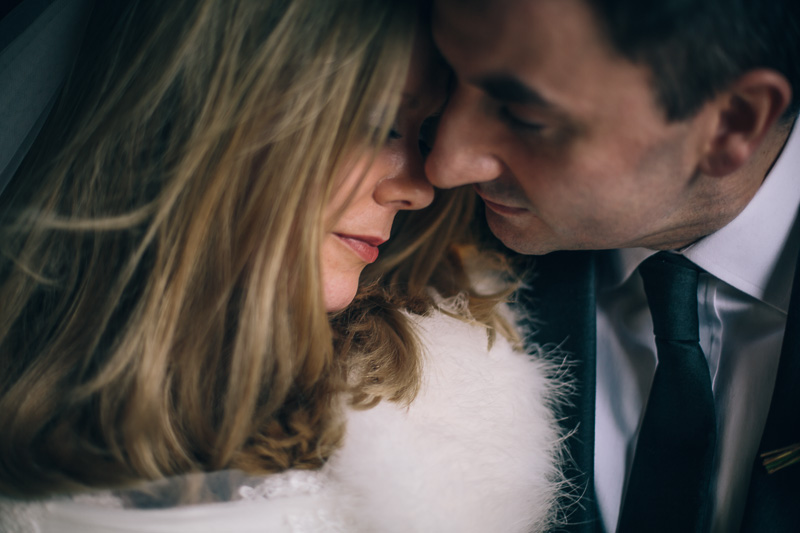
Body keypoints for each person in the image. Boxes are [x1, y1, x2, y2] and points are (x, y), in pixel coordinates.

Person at [0, 0, 566, 531]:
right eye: (379, 126)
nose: (419, 189)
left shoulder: (433, 402)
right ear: (214, 115)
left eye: (423, 135)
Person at [425, 0, 800, 531]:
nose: (444, 163)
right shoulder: (398, 234)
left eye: (524, 117)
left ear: (730, 124)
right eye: (447, 76)